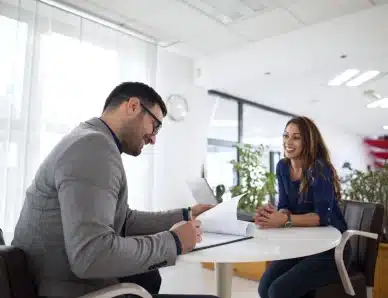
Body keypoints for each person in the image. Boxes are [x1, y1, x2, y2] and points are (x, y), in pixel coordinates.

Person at [12, 82, 218, 298]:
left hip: (53, 279)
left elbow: (123, 220)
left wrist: (186, 215)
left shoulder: (90, 139)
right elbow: (91, 256)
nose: (154, 138)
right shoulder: (93, 147)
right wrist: (173, 242)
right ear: (133, 106)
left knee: (149, 277)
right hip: (66, 289)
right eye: (155, 125)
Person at [254, 116, 350, 298]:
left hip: (331, 250)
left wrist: (285, 220)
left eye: (296, 137)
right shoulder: (282, 166)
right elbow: (285, 206)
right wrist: (274, 215)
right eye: (286, 135)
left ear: (308, 142)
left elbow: (322, 218)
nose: (288, 142)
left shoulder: (319, 168)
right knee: (264, 286)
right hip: (303, 246)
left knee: (278, 291)